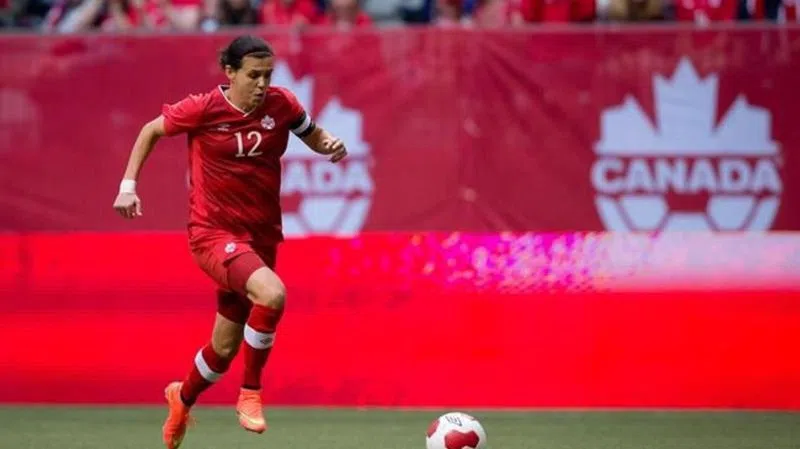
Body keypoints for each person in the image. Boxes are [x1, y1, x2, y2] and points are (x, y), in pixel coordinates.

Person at [112, 35, 348, 449]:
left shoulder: (282, 104)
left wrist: (328, 143)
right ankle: (251, 392)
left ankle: (182, 399)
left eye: (268, 75)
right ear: (230, 72)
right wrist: (128, 187)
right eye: (253, 75)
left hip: (261, 236)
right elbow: (151, 130)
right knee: (272, 295)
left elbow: (310, 132)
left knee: (222, 350)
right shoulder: (203, 108)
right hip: (213, 233)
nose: (262, 84)